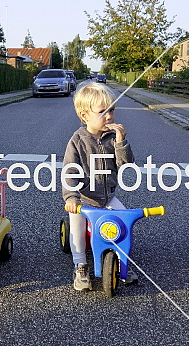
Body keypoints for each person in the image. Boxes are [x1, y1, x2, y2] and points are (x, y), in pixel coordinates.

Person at [62, 82, 137, 291]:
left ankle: (123, 263)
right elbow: (69, 170)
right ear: (85, 116)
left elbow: (126, 164)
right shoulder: (78, 140)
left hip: (108, 197)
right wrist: (71, 197)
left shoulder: (113, 137)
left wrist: (121, 142)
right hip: (84, 199)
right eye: (102, 111)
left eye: (112, 110)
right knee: (76, 228)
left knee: (124, 223)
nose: (109, 116)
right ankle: (81, 265)